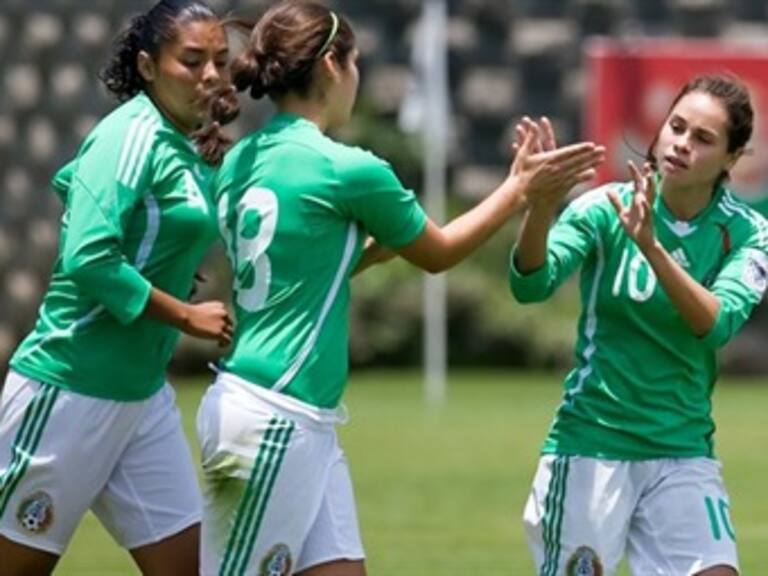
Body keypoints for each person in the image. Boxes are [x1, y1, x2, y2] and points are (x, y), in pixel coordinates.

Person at [195, 2, 605, 575]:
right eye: (357, 62)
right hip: (273, 417)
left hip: (283, 414)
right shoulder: (346, 167)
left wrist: (381, 241)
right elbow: (438, 253)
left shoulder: (239, 159)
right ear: (334, 66)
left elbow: (310, 270)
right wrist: (519, 191)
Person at [0, 1, 238, 574]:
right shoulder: (129, 137)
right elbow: (88, 256)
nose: (210, 74)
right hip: (69, 391)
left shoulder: (182, 145)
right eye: (192, 60)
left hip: (140, 399)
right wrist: (184, 315)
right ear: (148, 66)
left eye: (220, 61)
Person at [509, 74, 766, 576]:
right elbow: (531, 285)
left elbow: (716, 325)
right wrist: (539, 209)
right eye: (677, 126)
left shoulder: (746, 233)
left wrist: (652, 247)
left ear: (731, 160)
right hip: (591, 446)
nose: (681, 144)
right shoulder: (604, 208)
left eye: (703, 139)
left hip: (683, 451)